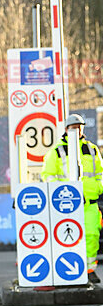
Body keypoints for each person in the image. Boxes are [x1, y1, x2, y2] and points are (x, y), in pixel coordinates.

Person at [41, 113, 103, 282]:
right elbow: (47, 175)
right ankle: (69, 271)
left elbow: (100, 173)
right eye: (74, 127)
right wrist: (61, 191)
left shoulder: (92, 149)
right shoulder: (57, 151)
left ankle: (89, 271)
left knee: (91, 235)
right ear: (67, 129)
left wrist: (99, 187)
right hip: (66, 204)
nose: (78, 129)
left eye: (80, 126)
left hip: (90, 202)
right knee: (68, 236)